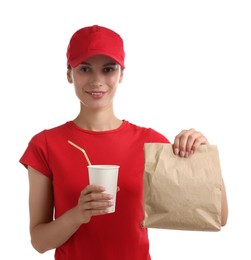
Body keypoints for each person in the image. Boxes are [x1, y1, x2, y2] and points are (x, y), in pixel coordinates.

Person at [19, 25, 228, 260]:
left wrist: (202, 157)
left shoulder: (150, 143)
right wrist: (77, 215)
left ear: (122, 74)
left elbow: (218, 216)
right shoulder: (45, 144)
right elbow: (39, 241)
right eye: (85, 69)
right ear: (69, 74)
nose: (97, 80)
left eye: (108, 69)